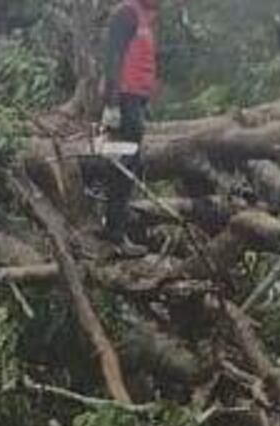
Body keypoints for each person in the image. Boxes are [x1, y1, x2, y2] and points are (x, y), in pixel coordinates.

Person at [100, 0, 160, 256]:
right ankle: (115, 233)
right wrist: (112, 103)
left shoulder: (145, 16)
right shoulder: (126, 13)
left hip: (135, 99)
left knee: (130, 161)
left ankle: (115, 225)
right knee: (123, 163)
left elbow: (140, 60)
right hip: (123, 99)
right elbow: (112, 56)